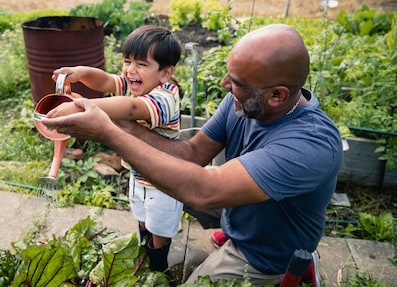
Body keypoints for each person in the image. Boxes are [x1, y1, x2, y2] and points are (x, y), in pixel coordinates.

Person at [41, 24, 343, 286]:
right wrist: (110, 120)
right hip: (237, 207)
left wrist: (106, 130)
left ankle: (297, 266)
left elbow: (203, 191)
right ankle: (220, 229)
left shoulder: (310, 144)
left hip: (264, 249)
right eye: (229, 74)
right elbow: (190, 155)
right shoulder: (243, 102)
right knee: (167, 186)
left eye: (236, 83)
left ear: (277, 95)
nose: (225, 85)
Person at [47, 25, 183, 274]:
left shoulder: (165, 98)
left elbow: (132, 108)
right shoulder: (136, 84)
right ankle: (144, 250)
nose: (131, 70)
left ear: (165, 73)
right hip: (138, 174)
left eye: (142, 64)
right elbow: (107, 81)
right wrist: (81, 73)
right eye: (127, 61)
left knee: (160, 227)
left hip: (165, 181)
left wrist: (81, 106)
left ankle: (158, 265)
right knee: (142, 216)